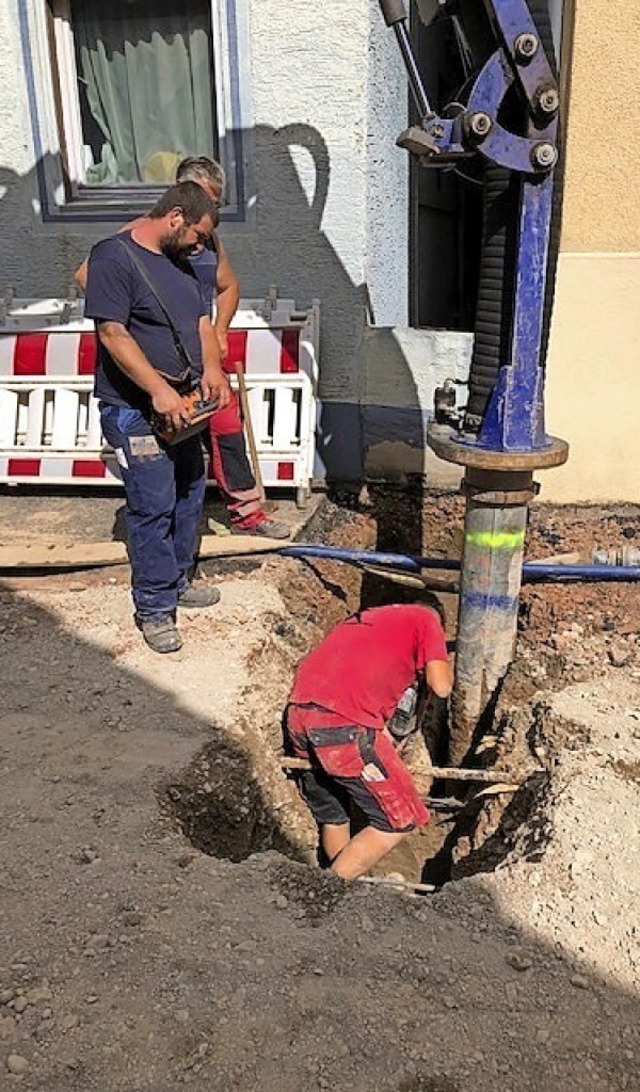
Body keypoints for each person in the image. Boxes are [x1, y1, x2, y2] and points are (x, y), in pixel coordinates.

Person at [76, 156, 290, 540]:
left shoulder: (208, 241)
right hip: (161, 376)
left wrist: (219, 333)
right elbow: (88, 280)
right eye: (208, 199)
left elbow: (228, 287)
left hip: (202, 359)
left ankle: (245, 512)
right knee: (162, 481)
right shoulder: (137, 240)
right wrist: (138, 324)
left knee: (225, 427)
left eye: (218, 201)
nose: (213, 209)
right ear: (182, 199)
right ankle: (164, 567)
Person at [84, 181, 229, 655]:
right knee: (151, 506)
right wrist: (158, 390)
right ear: (175, 218)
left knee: (190, 492)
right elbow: (112, 333)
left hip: (181, 406)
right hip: (135, 411)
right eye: (198, 235)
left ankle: (179, 581)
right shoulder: (114, 257)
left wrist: (211, 368)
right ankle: (154, 607)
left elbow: (203, 323)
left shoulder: (185, 264)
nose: (202, 246)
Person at [283, 603, 453, 881]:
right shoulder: (426, 618)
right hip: (341, 725)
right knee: (400, 820)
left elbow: (354, 681)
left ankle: (345, 889)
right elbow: (441, 685)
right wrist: (442, 660)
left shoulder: (360, 622)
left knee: (334, 814)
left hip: (300, 714)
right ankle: (327, 892)